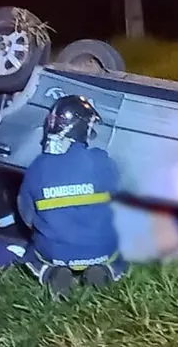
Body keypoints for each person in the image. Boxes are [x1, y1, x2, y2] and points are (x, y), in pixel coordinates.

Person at [17, 94, 129, 297]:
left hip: (55, 251)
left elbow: (26, 214)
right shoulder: (102, 161)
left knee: (31, 254)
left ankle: (51, 272)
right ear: (82, 127)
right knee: (123, 252)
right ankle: (104, 271)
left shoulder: (36, 167)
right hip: (100, 249)